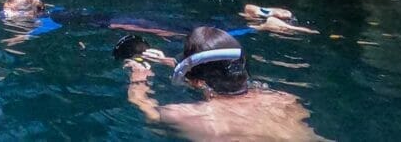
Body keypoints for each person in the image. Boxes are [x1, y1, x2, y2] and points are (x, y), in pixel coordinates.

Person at [125, 27, 325, 141]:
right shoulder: (284, 99)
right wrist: (168, 61)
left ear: (194, 80)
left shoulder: (182, 115)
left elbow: (147, 111)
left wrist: (138, 78)